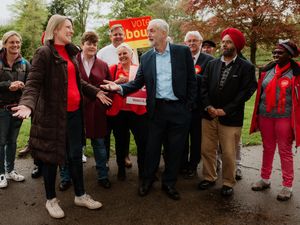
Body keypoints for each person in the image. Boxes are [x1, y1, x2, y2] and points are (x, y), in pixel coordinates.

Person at [12, 14, 111, 219]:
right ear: (55, 29)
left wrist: (95, 91)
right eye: (67, 27)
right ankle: (51, 200)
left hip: (74, 115)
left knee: (75, 156)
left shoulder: (70, 52)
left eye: (72, 27)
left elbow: (77, 82)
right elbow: (33, 83)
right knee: (50, 158)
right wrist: (27, 105)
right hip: (52, 118)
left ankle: (80, 195)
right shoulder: (44, 53)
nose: (71, 31)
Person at [101, 19, 197, 200]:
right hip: (156, 110)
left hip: (179, 110)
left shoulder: (182, 52)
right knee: (151, 148)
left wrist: (188, 108)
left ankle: (169, 183)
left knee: (174, 150)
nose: (148, 34)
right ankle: (146, 181)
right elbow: (137, 83)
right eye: (148, 31)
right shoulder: (146, 57)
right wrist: (119, 88)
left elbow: (192, 81)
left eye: (151, 31)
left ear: (163, 32)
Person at [198, 27, 257, 196]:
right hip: (208, 115)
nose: (224, 45)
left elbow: (246, 91)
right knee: (207, 149)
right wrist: (208, 107)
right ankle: (209, 177)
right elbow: (203, 87)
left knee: (229, 153)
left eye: (229, 42)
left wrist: (226, 110)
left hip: (230, 117)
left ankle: (228, 182)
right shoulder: (212, 64)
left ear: (236, 45)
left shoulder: (246, 67)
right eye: (223, 42)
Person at [250, 40, 300, 201]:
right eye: (274, 52)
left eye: (280, 52)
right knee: (268, 147)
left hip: (284, 118)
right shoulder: (267, 70)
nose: (276, 55)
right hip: (266, 116)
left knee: (285, 151)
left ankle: (287, 185)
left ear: (290, 55)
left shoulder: (296, 73)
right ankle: (265, 179)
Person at [107, 43, 148, 180]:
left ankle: (143, 170)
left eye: (125, 53)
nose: (122, 56)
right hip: (119, 113)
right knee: (120, 142)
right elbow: (105, 86)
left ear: (131, 54)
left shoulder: (138, 69)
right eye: (120, 54)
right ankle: (121, 169)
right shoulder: (112, 69)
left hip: (137, 111)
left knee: (141, 141)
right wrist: (117, 81)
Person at [76, 31, 112, 188]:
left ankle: (103, 175)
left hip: (97, 110)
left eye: (94, 44)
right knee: (75, 144)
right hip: (76, 108)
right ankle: (68, 176)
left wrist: (104, 99)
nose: (92, 46)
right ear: (82, 44)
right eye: (89, 43)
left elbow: (109, 85)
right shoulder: (73, 62)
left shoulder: (103, 65)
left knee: (99, 143)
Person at [97, 24, 134, 168]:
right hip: (107, 96)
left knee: (124, 132)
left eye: (120, 34)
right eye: (115, 34)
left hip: (126, 97)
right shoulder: (103, 52)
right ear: (110, 36)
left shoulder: (130, 49)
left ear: (124, 35)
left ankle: (125, 156)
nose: (118, 36)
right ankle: (105, 159)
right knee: (106, 131)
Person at [0, 31, 30, 188]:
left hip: (17, 109)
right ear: (5, 44)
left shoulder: (25, 64)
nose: (15, 45)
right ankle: (0, 174)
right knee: (1, 142)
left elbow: (32, 85)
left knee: (12, 141)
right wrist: (8, 86)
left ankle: (10, 170)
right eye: (11, 42)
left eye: (18, 42)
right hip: (1, 109)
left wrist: (23, 90)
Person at [182, 31, 213, 178]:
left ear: (200, 43)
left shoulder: (209, 60)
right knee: (182, 137)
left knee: (196, 138)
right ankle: (182, 164)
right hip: (182, 106)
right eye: (189, 41)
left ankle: (193, 165)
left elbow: (208, 82)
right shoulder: (180, 58)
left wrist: (192, 77)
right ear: (185, 43)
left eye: (195, 40)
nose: (192, 43)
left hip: (199, 108)